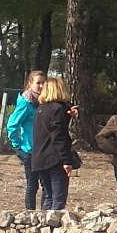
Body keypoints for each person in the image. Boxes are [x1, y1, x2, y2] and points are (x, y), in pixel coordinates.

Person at [29, 75, 81, 211]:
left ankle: (44, 226)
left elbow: (50, 129)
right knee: (58, 199)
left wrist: (67, 116)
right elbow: (59, 135)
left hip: (39, 158)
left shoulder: (41, 109)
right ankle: (54, 227)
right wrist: (66, 160)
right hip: (54, 159)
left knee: (48, 196)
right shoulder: (57, 109)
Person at [6, 71, 44, 209]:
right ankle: (30, 215)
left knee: (46, 185)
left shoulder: (42, 101)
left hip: (42, 150)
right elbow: (12, 124)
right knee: (32, 185)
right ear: (30, 84)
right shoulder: (26, 103)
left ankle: (45, 215)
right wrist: (18, 145)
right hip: (29, 150)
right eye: (38, 83)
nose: (41, 86)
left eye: (43, 83)